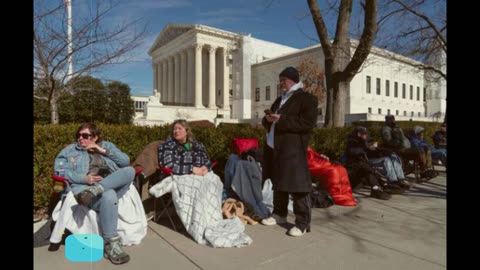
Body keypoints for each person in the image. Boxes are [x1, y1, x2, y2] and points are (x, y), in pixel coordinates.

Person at [53, 123, 134, 265]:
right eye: (78, 135)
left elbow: (125, 161)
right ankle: (111, 243)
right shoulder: (69, 151)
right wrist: (85, 179)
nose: (80, 139)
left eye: (85, 136)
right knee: (109, 195)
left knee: (130, 171)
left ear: (95, 137)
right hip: (84, 191)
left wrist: (101, 150)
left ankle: (98, 189)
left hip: (107, 185)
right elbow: (59, 171)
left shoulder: (106, 146)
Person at [260, 66, 318, 237]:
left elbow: (307, 123)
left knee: (297, 185)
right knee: (278, 183)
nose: (281, 84)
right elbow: (269, 121)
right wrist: (268, 119)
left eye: (283, 80)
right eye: (280, 80)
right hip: (274, 148)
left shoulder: (306, 99)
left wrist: (282, 119)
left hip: (292, 150)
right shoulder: (279, 100)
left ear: (292, 80)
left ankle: (302, 222)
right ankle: (279, 214)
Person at [344, 127, 398, 200]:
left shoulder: (362, 142)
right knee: (367, 168)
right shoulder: (351, 142)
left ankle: (383, 185)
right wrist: (367, 147)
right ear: (359, 134)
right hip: (351, 171)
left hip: (360, 170)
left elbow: (370, 152)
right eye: (365, 135)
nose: (366, 136)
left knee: (368, 168)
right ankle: (377, 189)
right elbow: (353, 151)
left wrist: (382, 151)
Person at [381, 115, 436, 179]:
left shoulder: (396, 127)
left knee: (426, 149)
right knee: (420, 150)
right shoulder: (386, 129)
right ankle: (423, 170)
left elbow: (401, 136)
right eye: (390, 119)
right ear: (386, 120)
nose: (392, 120)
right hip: (399, 149)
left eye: (393, 119)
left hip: (405, 147)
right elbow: (388, 140)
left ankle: (428, 169)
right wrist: (399, 143)